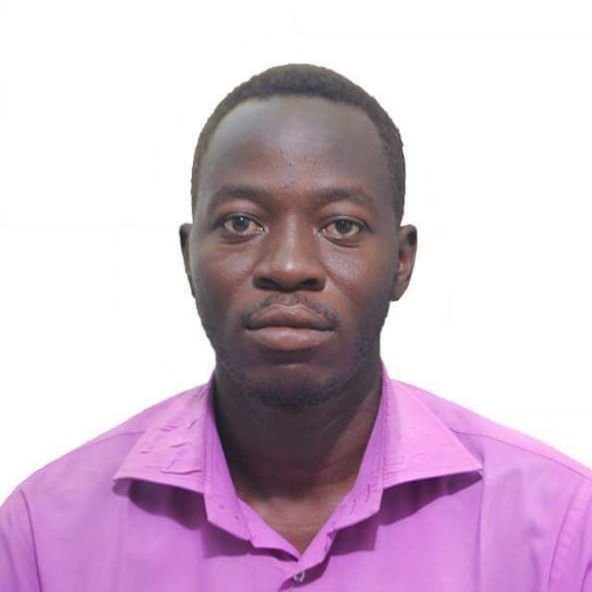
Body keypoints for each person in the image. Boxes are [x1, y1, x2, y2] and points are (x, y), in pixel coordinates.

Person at [1, 64, 591, 591]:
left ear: (401, 261)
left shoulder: (560, 529)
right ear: (188, 257)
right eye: (241, 222)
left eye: (341, 226)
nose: (289, 266)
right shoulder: (43, 538)